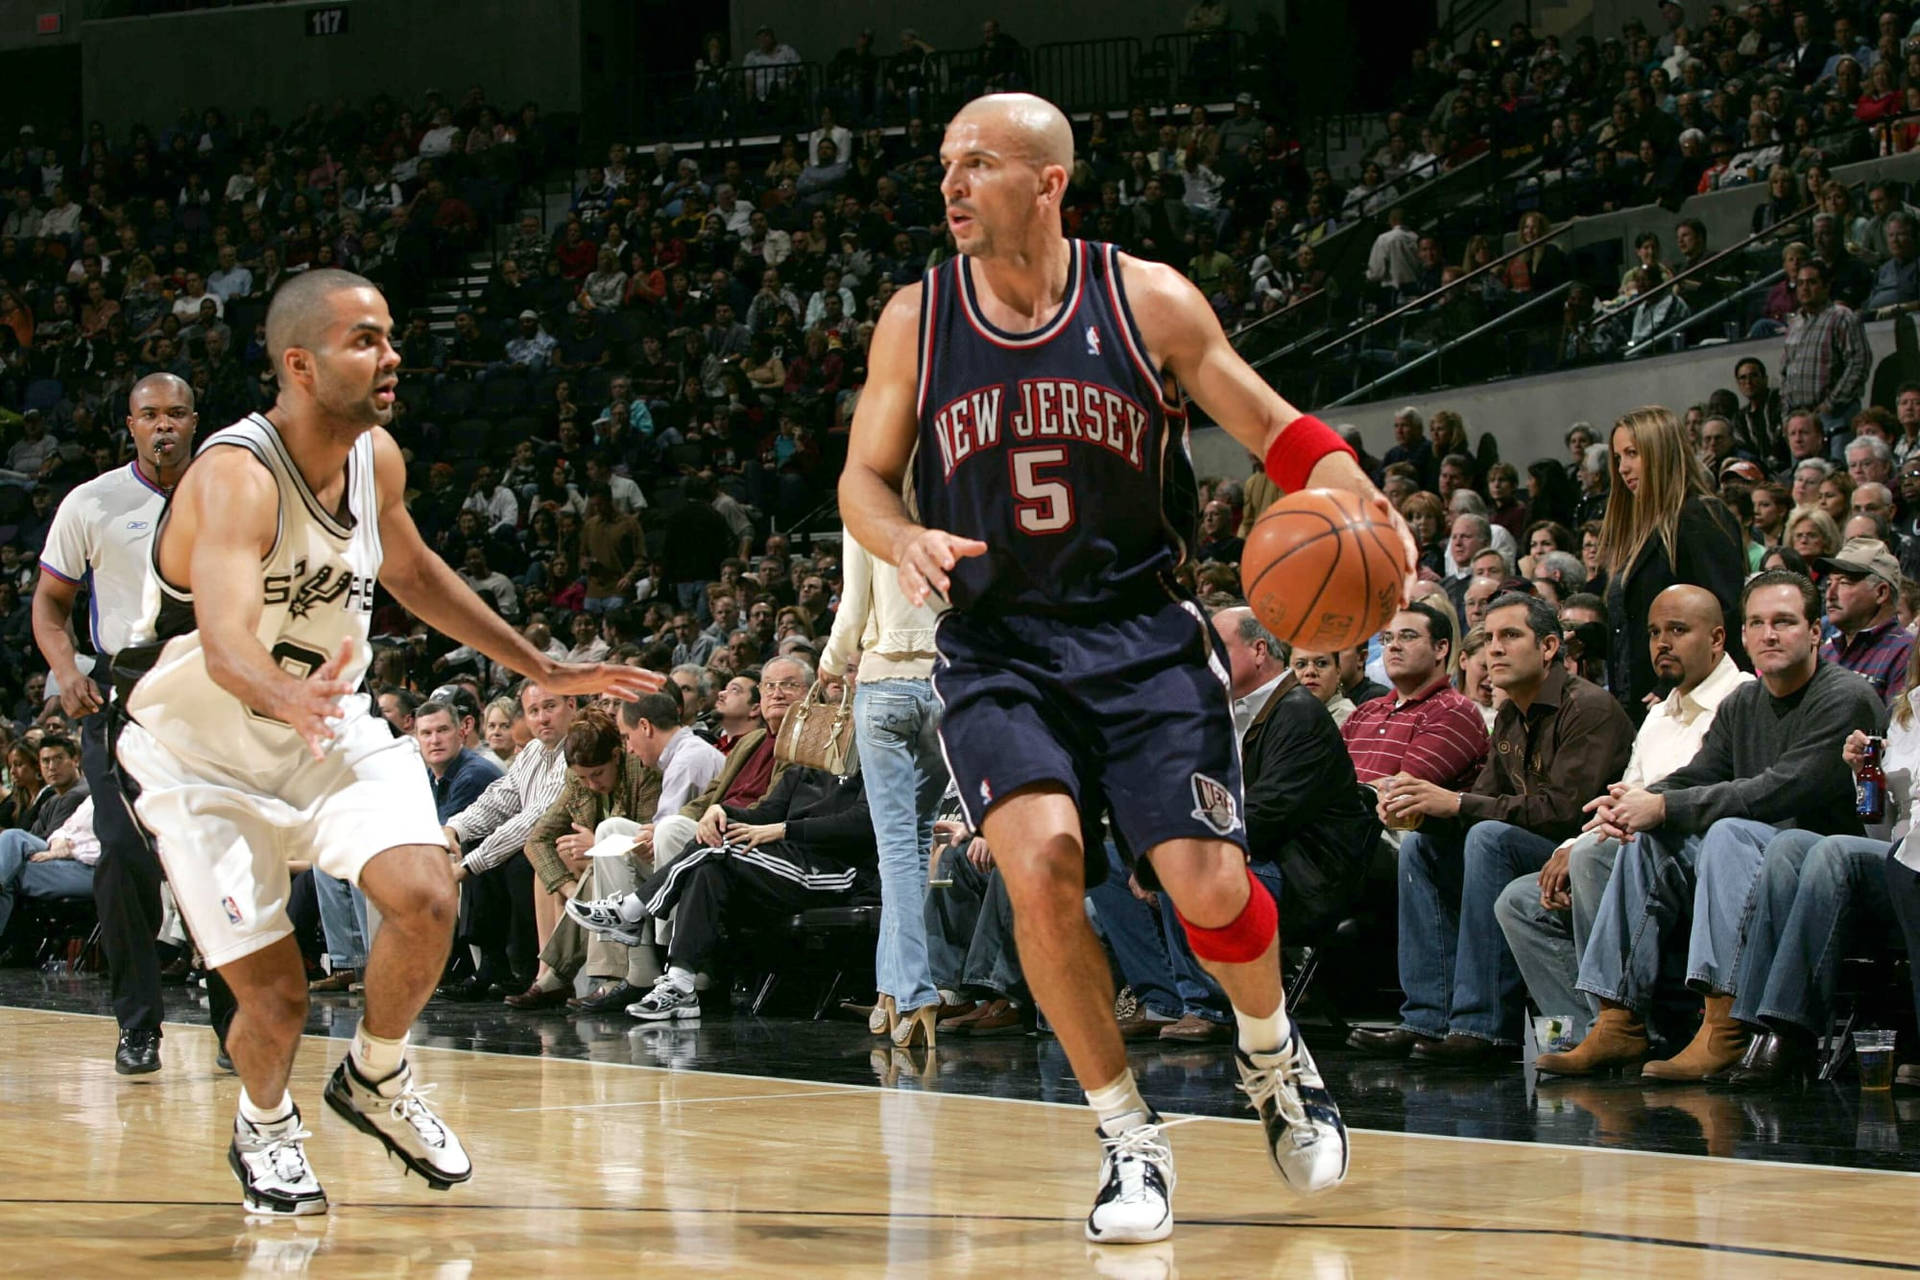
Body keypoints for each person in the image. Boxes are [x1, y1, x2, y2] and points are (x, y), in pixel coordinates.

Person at [836, 92, 1414, 1243]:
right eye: (944, 165)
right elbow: (863, 476)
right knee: (1041, 864)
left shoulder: (1143, 295)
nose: (950, 185)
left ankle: (1272, 1054)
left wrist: (1347, 480)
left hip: (1143, 637)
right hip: (1000, 647)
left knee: (1206, 885)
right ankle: (1126, 1132)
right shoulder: (917, 317)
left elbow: (1268, 418)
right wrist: (899, 536)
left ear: (1048, 183)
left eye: (978, 164)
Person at [107, 269, 659, 1217]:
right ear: (299, 364)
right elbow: (231, 639)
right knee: (275, 999)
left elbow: (414, 572)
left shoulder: (377, 459)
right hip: (202, 753)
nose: (391, 353)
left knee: (426, 891)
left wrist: (543, 665)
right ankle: (266, 1122)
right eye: (365, 340)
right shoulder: (237, 475)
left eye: (390, 335)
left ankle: (376, 1073)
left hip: (325, 728)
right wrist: (285, 690)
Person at [1535, 571, 1884, 1080]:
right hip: (1747, 860)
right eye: (1758, 623)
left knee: (1727, 829)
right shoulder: (1744, 702)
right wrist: (1638, 799)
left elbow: (1781, 789)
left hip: (1814, 859)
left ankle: (1724, 1025)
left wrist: (1666, 808)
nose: (1769, 634)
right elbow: (1701, 774)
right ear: (1742, 635)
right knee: (1644, 839)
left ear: (1815, 632)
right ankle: (1618, 1019)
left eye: (1784, 622)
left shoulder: (1844, 696)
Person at [1351, 595, 1632, 1063]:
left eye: (1510, 636)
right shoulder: (1509, 717)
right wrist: (1426, 814)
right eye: (1489, 638)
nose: (1494, 649)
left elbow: (1565, 810)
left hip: (1583, 850)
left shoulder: (1588, 707)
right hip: (1527, 844)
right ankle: (1426, 1016)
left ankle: (1483, 1027)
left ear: (1548, 647)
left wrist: (1456, 802)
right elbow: (1484, 799)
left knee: (1488, 839)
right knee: (1421, 844)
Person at [1494, 585, 1751, 1051]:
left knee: (1595, 858)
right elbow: (1622, 795)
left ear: (1717, 639)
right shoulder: (1658, 714)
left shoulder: (1742, 698)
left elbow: (1722, 801)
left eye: (1677, 629)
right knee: (1519, 900)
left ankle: (1624, 1026)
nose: (1662, 643)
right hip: (1628, 847)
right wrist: (1567, 847)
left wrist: (1591, 845)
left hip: (1697, 860)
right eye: (1654, 632)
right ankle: (1580, 1034)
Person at [29, 373, 196, 1075]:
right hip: (122, 698)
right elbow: (50, 605)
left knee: (221, 855)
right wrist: (67, 671)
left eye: (176, 414)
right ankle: (138, 1027)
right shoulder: (91, 502)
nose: (164, 425)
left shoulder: (233, 491)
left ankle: (236, 1014)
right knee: (122, 857)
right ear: (130, 424)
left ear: (195, 422)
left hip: (213, 695)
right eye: (150, 414)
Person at [820, 527, 949, 1048]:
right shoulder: (957, 504)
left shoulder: (867, 516)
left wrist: (830, 663)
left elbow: (852, 609)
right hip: (947, 687)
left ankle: (916, 992)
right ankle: (890, 990)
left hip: (885, 683)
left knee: (897, 850)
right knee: (914, 847)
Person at [1597, 406, 1747, 720]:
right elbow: (1635, 624)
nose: (1623, 468)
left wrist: (1674, 682)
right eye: (1618, 457)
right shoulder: (1638, 531)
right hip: (1642, 702)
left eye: (1632, 453)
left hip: (1691, 705)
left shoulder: (1699, 516)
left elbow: (1724, 615)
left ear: (1661, 453)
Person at [1815, 538, 1913, 705]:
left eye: (1844, 583)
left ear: (1881, 592)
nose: (1830, 594)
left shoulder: (1908, 653)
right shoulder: (1825, 653)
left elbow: (1900, 727)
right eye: (1830, 582)